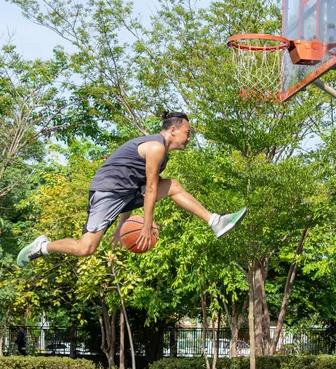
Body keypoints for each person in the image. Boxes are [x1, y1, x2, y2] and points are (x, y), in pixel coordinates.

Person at [17, 112, 246, 267]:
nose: (189, 138)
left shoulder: (162, 154)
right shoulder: (156, 148)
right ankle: (43, 246)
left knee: (174, 186)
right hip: (107, 193)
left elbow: (137, 189)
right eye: (188, 133)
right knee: (85, 248)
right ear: (174, 130)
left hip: (123, 194)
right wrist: (146, 226)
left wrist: (120, 227)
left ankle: (215, 221)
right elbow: (151, 191)